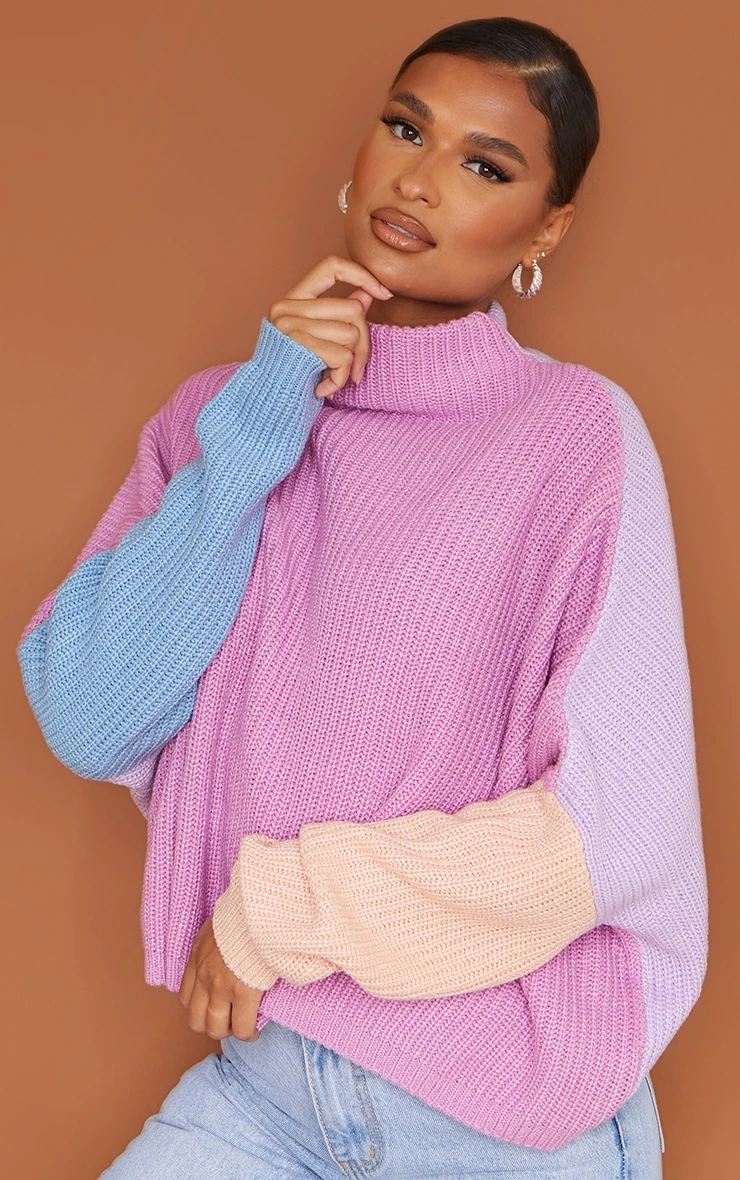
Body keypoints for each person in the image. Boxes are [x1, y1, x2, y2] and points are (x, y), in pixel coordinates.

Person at [17, 15, 706, 1179]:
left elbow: (605, 836)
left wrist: (284, 906)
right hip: (266, 1090)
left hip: (498, 1119)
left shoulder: (575, 439)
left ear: (545, 228)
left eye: (484, 165)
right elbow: (88, 716)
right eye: (406, 128)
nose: (420, 180)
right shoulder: (224, 416)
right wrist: (263, 415)